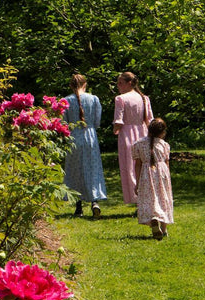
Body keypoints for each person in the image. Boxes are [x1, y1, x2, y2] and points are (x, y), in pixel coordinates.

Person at [62, 74, 107, 218]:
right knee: (92, 168)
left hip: (74, 137)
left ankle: (78, 206)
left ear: (71, 86)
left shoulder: (66, 101)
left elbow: (64, 123)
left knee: (75, 170)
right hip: (90, 136)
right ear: (85, 84)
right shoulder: (93, 99)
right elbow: (97, 121)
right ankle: (94, 201)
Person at [113, 72, 153, 204]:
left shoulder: (120, 99)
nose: (118, 86)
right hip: (143, 133)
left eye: (120, 83)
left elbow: (118, 121)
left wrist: (115, 130)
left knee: (130, 166)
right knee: (143, 166)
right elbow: (149, 120)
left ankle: (136, 198)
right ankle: (145, 197)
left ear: (129, 83)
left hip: (127, 134)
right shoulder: (144, 98)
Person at [132, 118, 173, 240]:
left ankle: (153, 219)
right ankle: (164, 229)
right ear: (162, 132)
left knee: (149, 198)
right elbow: (167, 164)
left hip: (146, 175)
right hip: (162, 174)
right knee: (163, 198)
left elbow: (138, 165)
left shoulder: (138, 144)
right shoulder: (164, 145)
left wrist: (137, 183)